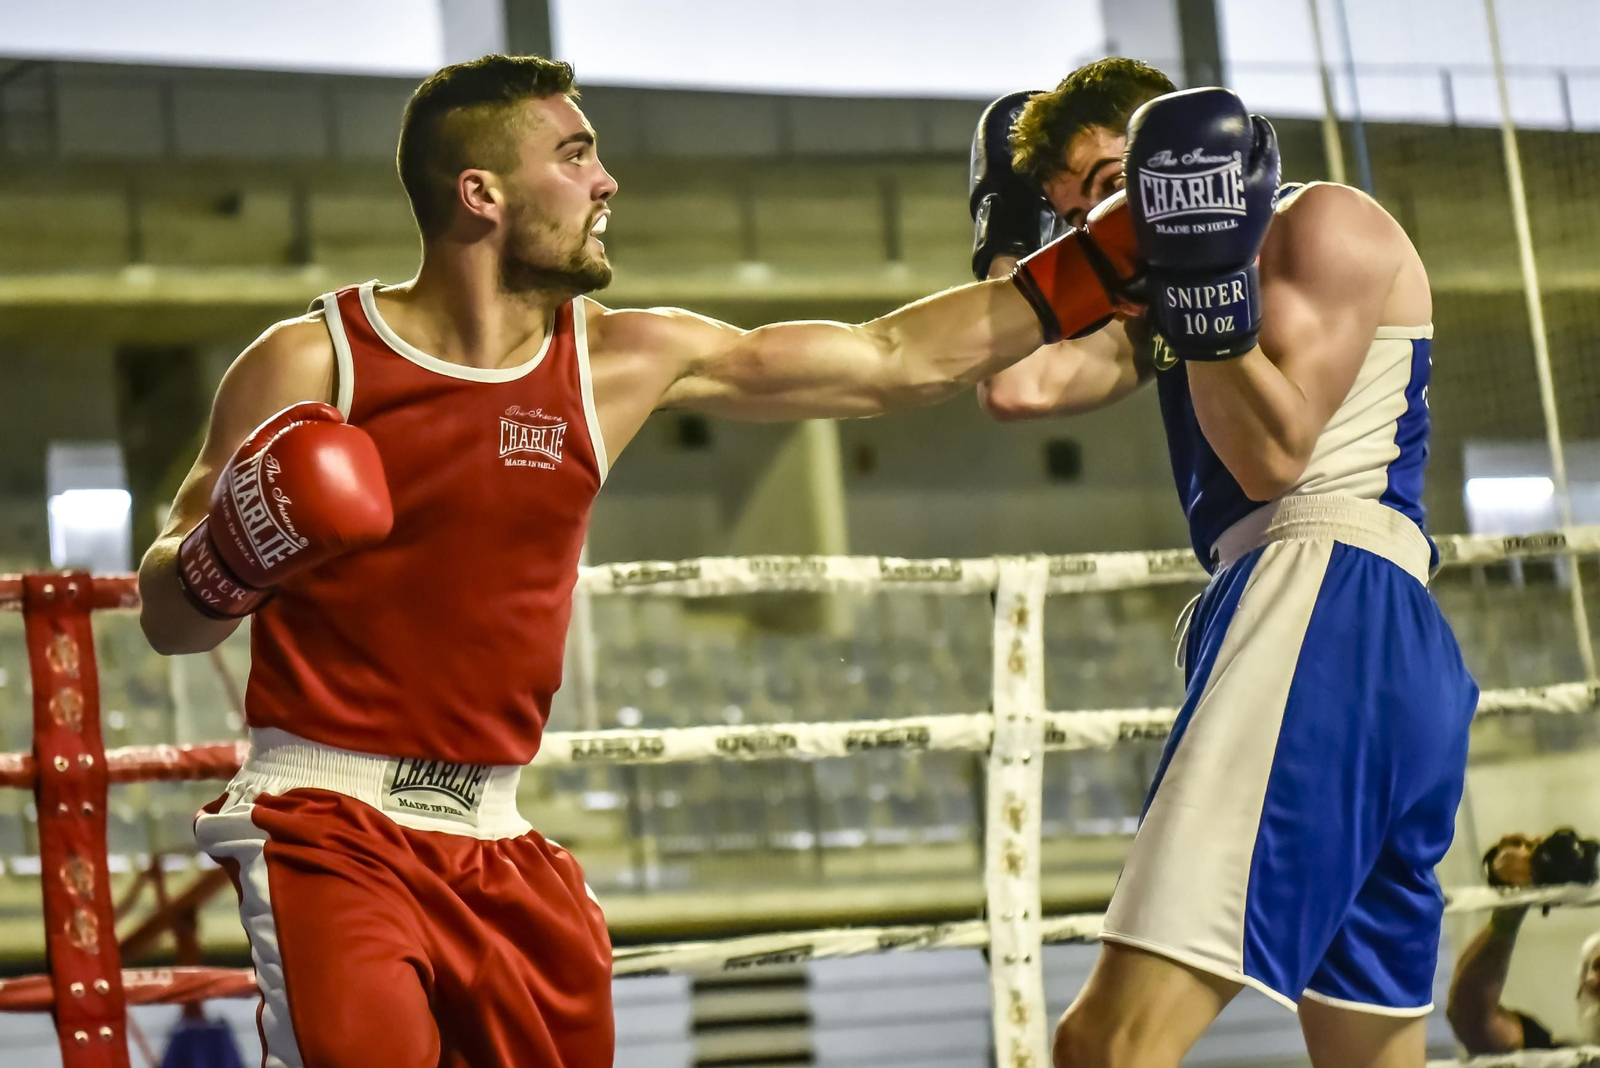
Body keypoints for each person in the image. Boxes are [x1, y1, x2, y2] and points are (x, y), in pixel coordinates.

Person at [135, 53, 1141, 1068]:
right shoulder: (316, 360)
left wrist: (1109, 252)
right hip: (330, 817)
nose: (607, 180)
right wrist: (229, 551)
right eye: (575, 156)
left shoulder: (617, 359)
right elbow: (170, 618)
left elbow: (890, 361)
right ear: (480, 194)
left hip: (497, 829)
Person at [972, 59, 1479, 1067]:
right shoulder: (1171, 301)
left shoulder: (1321, 222)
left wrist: (1196, 284)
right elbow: (1016, 387)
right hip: (1361, 637)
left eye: (1116, 180)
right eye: (1077, 211)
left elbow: (1274, 453)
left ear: (1178, 158)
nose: (1103, 221)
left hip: (1322, 592)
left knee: (1105, 1048)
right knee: (1368, 1053)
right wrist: (1008, 238)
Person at [1447, 832, 1600, 1052]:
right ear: (1581, 990)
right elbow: (1471, 1018)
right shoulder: (1555, 1058)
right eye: (1599, 965)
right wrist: (1511, 908)